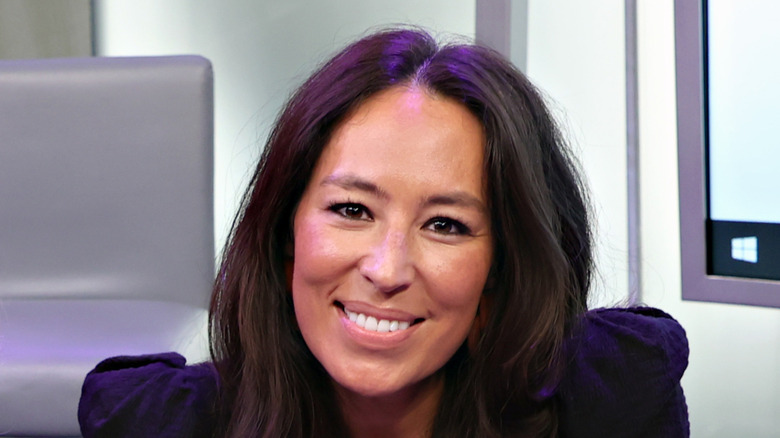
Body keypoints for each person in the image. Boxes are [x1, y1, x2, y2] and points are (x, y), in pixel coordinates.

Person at [78, 28, 689, 437]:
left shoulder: (611, 400)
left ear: (500, 267)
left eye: (446, 225)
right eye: (351, 211)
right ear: (286, 229)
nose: (387, 269)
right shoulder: (161, 422)